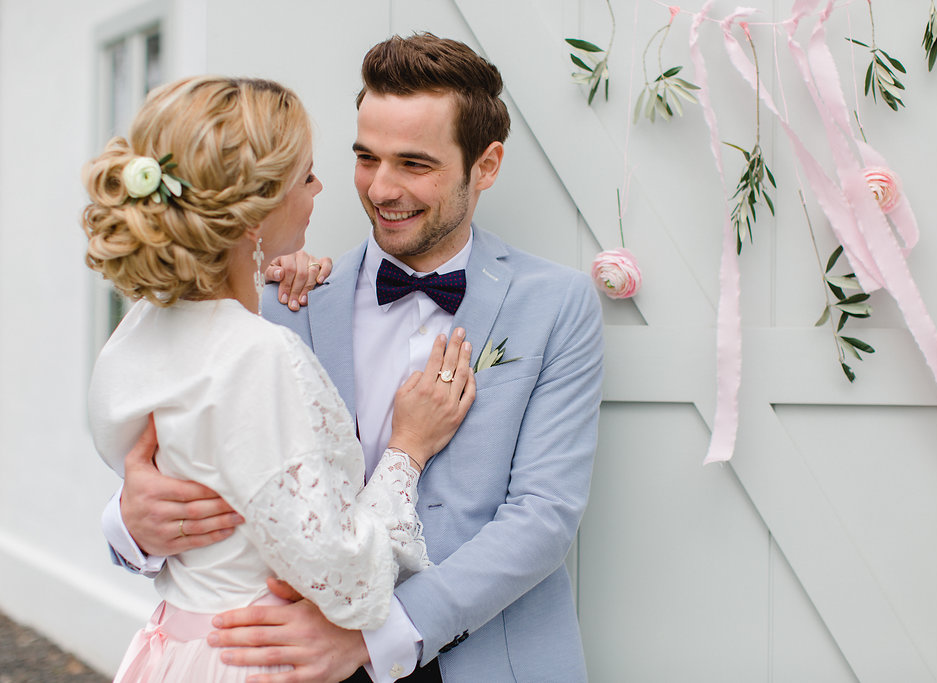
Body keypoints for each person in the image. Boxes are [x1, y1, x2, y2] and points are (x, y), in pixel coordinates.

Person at [106, 33, 605, 682]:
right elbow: (195, 453)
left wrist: (375, 636)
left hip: (490, 657)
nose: (382, 188)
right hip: (296, 662)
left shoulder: (558, 303)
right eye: (366, 157)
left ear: (486, 165)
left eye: (415, 164)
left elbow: (544, 514)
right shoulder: (278, 298)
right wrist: (129, 520)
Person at [84, 74, 476, 682]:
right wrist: (408, 450)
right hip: (258, 660)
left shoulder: (134, 334)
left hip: (175, 652)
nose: (322, 190)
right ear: (255, 215)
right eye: (307, 177)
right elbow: (352, 580)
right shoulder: (262, 355)